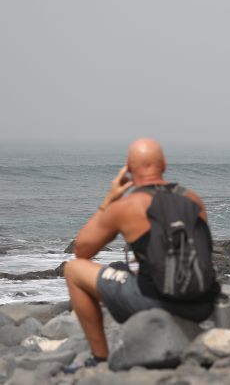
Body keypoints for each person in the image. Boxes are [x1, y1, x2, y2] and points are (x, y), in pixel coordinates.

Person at [63, 139, 219, 368]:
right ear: (164, 165)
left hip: (158, 301)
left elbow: (82, 250)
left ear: (128, 168)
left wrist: (109, 199)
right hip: (203, 303)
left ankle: (99, 358)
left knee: (73, 270)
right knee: (120, 268)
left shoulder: (127, 206)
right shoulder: (193, 199)